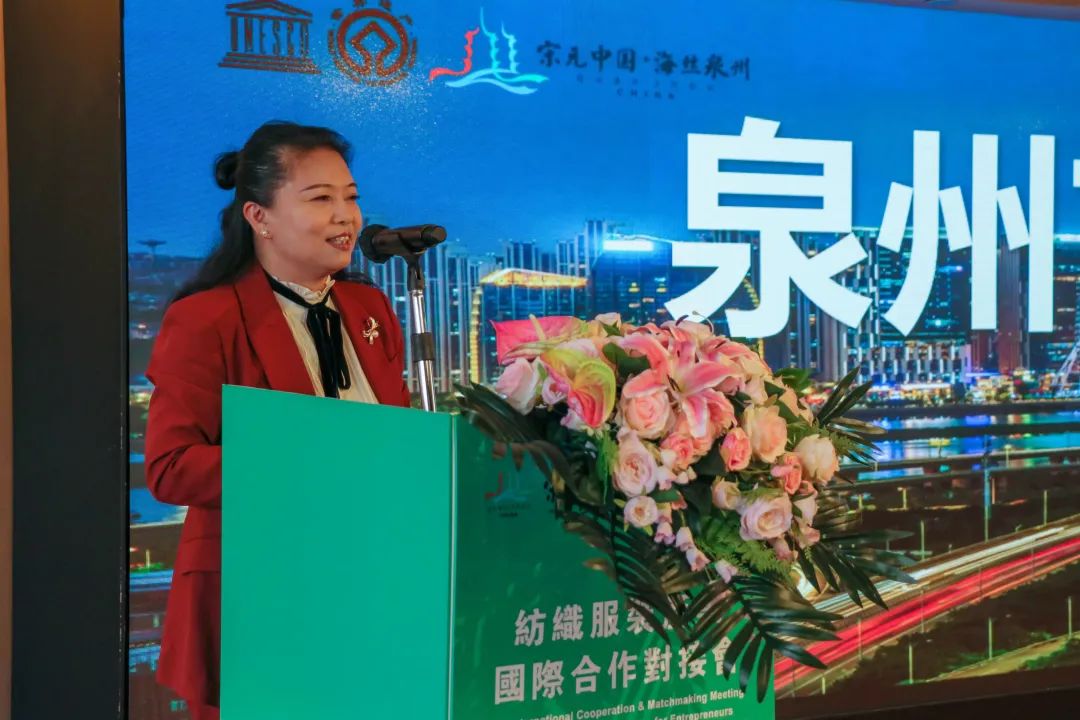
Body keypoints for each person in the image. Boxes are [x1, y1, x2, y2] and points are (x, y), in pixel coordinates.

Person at [144, 121, 411, 720]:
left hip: (370, 584)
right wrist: (306, 463)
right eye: (320, 198)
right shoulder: (206, 318)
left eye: (351, 197)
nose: (346, 216)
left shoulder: (369, 308)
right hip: (260, 594)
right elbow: (168, 467)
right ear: (258, 217)